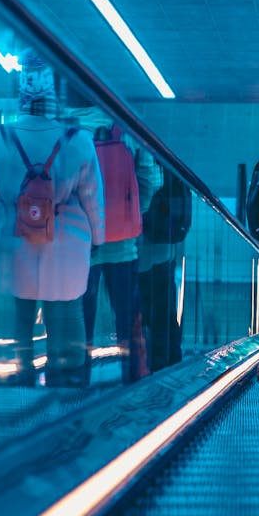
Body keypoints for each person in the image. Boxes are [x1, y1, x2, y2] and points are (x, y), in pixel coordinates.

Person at [0, 49, 104, 387]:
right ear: (53, 92)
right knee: (65, 309)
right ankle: (68, 376)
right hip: (67, 240)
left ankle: (22, 373)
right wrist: (98, 236)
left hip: (14, 237)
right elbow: (93, 197)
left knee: (21, 309)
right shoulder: (77, 140)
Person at [70, 104, 162, 385]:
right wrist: (134, 213)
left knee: (79, 319)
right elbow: (152, 179)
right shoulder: (127, 130)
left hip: (80, 245)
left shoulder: (68, 132)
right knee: (128, 318)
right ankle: (135, 378)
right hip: (123, 245)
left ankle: (76, 383)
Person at [138, 163, 192, 372]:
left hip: (144, 248)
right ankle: (169, 363)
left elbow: (148, 188)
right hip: (165, 246)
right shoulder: (167, 156)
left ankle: (154, 365)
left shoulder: (140, 148)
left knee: (148, 311)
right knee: (165, 309)